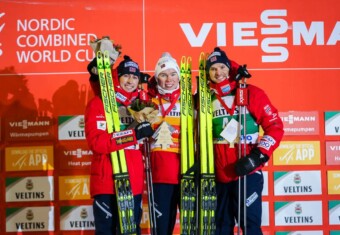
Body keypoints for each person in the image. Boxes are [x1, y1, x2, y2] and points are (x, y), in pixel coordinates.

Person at [205, 47, 284, 235]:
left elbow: (275, 127)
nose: (218, 73)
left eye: (222, 67)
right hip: (220, 176)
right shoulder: (206, 99)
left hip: (247, 173)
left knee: (250, 227)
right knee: (220, 228)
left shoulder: (251, 93)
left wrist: (257, 157)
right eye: (213, 69)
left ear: (229, 68)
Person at [85, 55, 154, 235]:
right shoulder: (98, 104)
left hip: (133, 180)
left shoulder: (143, 106)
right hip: (106, 180)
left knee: (131, 231)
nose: (130, 81)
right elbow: (97, 143)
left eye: (134, 77)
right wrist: (133, 134)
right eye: (125, 76)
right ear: (117, 77)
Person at [147, 52, 182, 235]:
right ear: (156, 78)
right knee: (162, 230)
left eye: (172, 73)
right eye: (163, 74)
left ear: (179, 76)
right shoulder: (149, 102)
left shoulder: (191, 101)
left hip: (187, 173)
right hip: (161, 174)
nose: (169, 79)